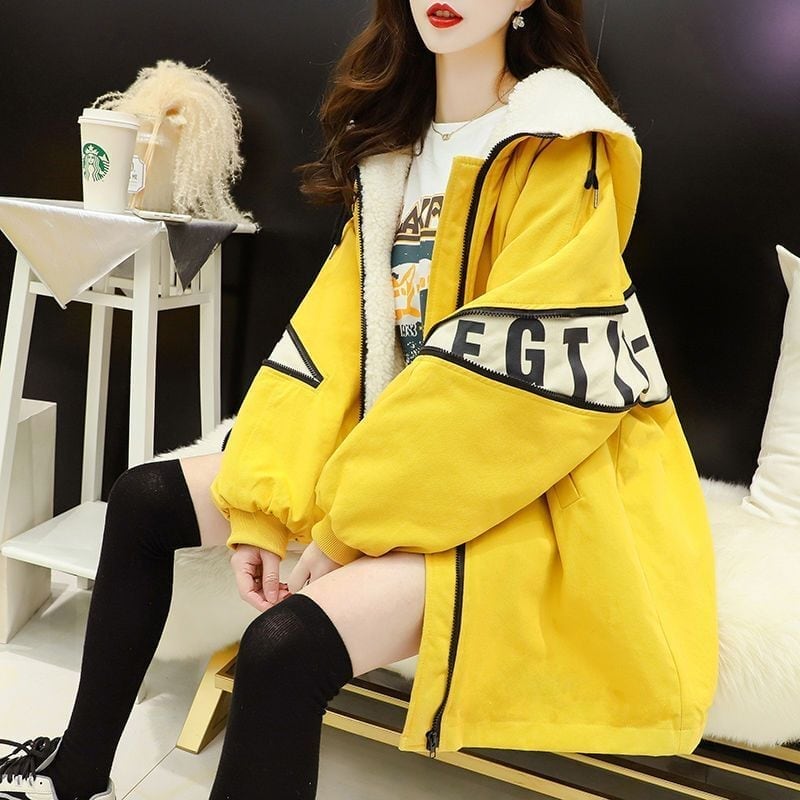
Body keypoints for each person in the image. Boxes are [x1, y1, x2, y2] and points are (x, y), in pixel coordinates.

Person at [0, 0, 720, 798]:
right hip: (399, 457)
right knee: (144, 500)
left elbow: (513, 396)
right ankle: (74, 774)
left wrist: (347, 527)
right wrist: (262, 508)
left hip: (522, 486)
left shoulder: (559, 142)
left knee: (282, 647)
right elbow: (332, 343)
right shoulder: (394, 153)